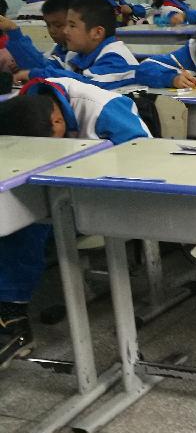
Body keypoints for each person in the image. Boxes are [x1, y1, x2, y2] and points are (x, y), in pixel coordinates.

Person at [0, 77, 151, 367]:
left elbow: (144, 157)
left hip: (110, 195)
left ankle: (10, 310)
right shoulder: (19, 110)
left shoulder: (103, 110)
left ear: (58, 122)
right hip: (54, 193)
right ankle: (11, 312)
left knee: (28, 228)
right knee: (17, 214)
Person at [16, 0, 139, 89]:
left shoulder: (116, 57)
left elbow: (86, 85)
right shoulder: (74, 54)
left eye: (72, 26)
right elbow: (42, 68)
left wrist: (35, 74)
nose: (65, 31)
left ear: (97, 33)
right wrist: (13, 34)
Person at [0, 0, 79, 72]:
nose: (51, 31)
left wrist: (14, 33)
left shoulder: (76, 56)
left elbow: (43, 69)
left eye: (58, 25)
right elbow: (41, 63)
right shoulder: (57, 49)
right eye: (48, 25)